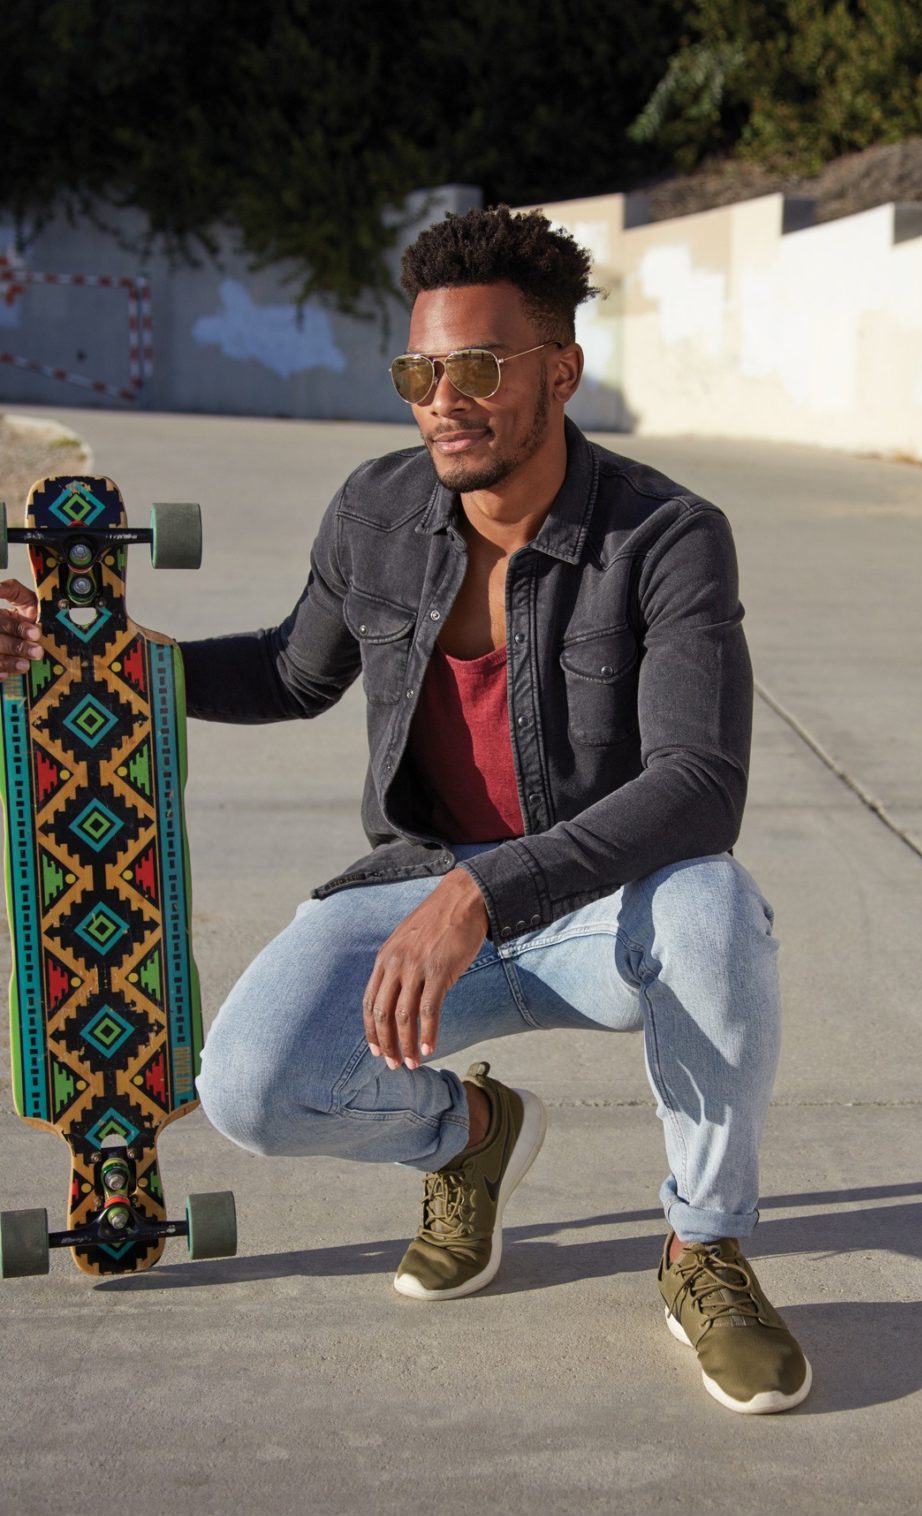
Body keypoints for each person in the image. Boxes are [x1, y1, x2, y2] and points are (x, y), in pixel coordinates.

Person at [0, 206, 810, 1415]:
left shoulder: (666, 537)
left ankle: (705, 1248)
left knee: (713, 909)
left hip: (597, 906)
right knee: (251, 1089)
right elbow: (291, 672)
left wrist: (484, 894)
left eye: (477, 368)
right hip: (421, 886)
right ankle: (467, 1137)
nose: (444, 399)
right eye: (420, 371)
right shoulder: (376, 512)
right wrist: (95, 660)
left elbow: (700, 785)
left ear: (561, 371)